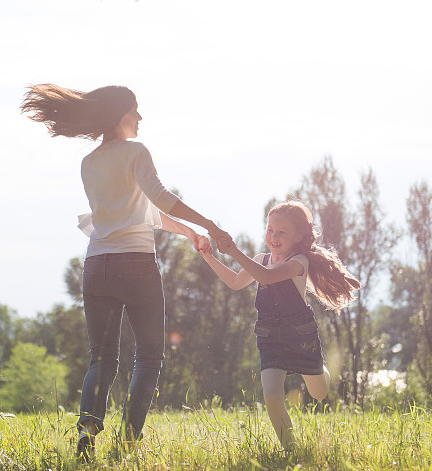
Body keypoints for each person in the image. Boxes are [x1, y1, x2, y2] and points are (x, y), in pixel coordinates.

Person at [21, 83, 229, 459]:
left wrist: (189, 232)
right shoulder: (136, 151)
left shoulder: (89, 162)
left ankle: (87, 429)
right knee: (148, 357)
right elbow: (160, 198)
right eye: (135, 111)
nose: (140, 118)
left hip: (96, 265)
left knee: (102, 357)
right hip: (135, 265)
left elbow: (137, 209)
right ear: (120, 115)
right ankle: (129, 438)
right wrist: (210, 224)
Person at [200, 200, 360, 450]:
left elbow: (268, 277)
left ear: (298, 236)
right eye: (270, 230)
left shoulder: (299, 263)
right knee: (272, 395)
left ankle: (320, 369)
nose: (273, 237)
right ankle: (291, 450)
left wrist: (233, 251)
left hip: (300, 336)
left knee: (318, 393)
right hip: (269, 338)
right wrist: (208, 256)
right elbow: (234, 281)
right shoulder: (261, 259)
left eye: (281, 232)